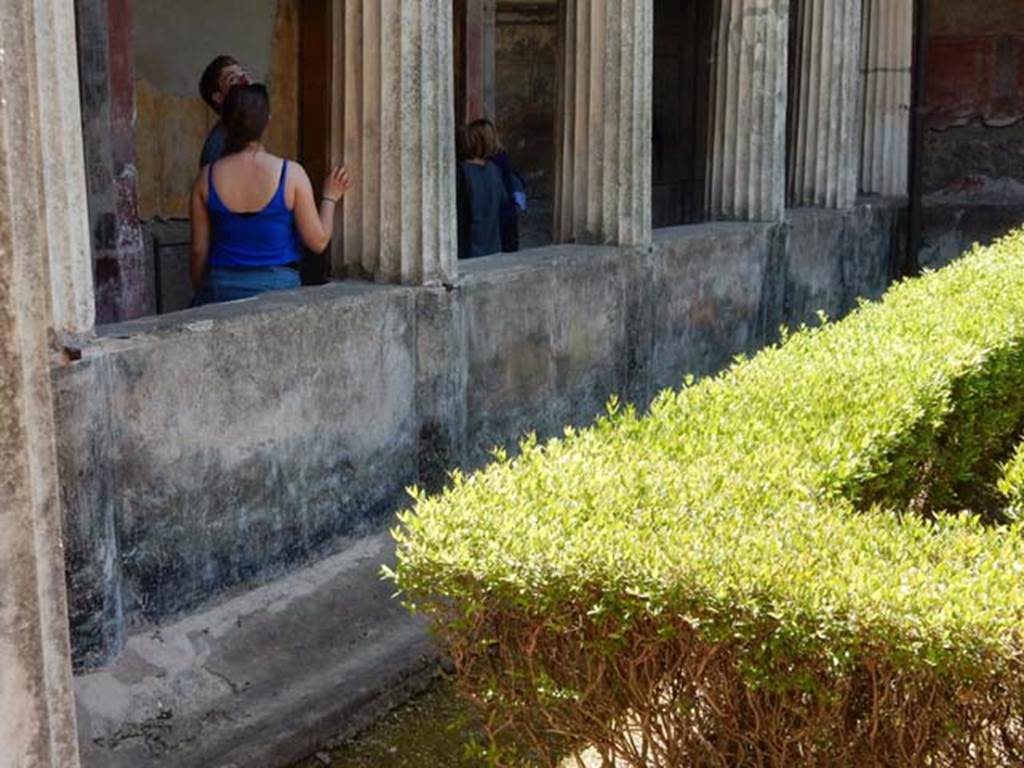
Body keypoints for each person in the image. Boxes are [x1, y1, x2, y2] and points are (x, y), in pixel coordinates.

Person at [190, 83, 352, 305]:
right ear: (267, 120)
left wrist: (204, 294)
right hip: (278, 291)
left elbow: (199, 251)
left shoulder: (206, 178)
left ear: (225, 123)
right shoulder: (291, 174)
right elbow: (318, 241)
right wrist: (330, 197)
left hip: (221, 287)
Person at [456, 119, 509, 260]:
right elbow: (503, 201)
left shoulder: (461, 172)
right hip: (494, 248)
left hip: (468, 250)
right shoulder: (495, 171)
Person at [198, 55, 250, 167]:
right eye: (233, 79)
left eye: (243, 73)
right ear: (218, 97)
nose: (245, 80)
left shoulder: (243, 132)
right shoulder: (220, 147)